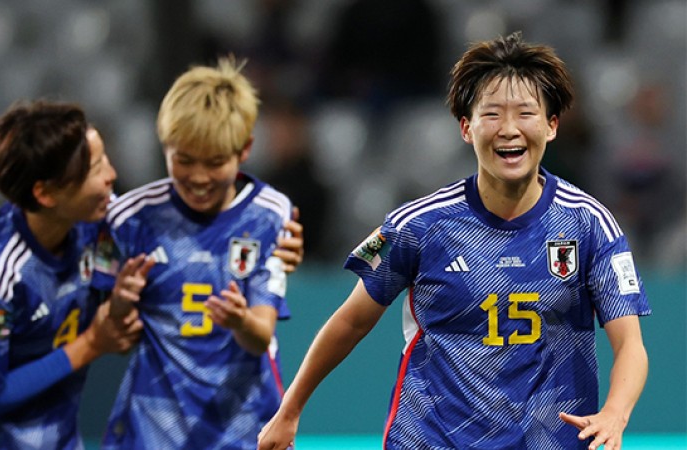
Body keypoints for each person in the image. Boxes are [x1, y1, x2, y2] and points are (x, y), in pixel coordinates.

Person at [258, 32, 650, 450]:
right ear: (467, 127)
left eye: (525, 113)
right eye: (492, 114)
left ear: (551, 125)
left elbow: (630, 344)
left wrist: (615, 413)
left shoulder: (590, 224)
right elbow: (349, 322)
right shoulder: (416, 226)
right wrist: (289, 410)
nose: (509, 129)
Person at [0, 100, 153, 450]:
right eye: (93, 169)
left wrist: (119, 312)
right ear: (45, 193)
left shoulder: (95, 226)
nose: (110, 176)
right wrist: (92, 344)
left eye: (104, 159)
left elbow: (115, 307)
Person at [95, 56, 295, 450]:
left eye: (215, 162)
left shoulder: (270, 216)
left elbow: (260, 335)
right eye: (183, 160)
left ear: (245, 149)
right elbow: (105, 327)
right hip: (152, 427)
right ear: (165, 146)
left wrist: (239, 321)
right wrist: (118, 304)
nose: (199, 177)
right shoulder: (130, 218)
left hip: (243, 423)